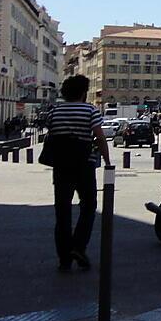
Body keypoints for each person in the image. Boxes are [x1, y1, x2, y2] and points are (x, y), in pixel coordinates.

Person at [45, 75, 111, 272]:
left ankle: (64, 257)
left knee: (62, 211)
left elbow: (52, 135)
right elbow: (99, 137)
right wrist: (107, 160)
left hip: (61, 166)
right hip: (84, 165)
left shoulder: (54, 112)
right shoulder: (90, 110)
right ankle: (79, 247)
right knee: (89, 206)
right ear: (83, 92)